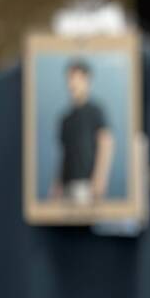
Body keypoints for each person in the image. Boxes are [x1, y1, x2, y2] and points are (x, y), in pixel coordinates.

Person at [51, 59, 114, 205]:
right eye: (70, 78)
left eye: (77, 78)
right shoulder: (65, 119)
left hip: (87, 186)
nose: (72, 83)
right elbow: (63, 155)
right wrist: (57, 185)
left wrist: (99, 180)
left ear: (87, 80)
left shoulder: (95, 111)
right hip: (66, 187)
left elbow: (106, 143)